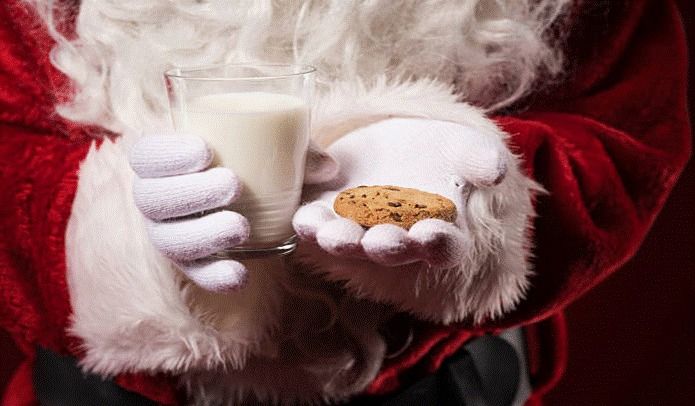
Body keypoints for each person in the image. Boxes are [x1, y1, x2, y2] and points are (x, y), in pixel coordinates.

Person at [0, 0, 690, 405]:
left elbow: (627, 128)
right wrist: (115, 233)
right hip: (111, 391)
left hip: (433, 382)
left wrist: (467, 186)